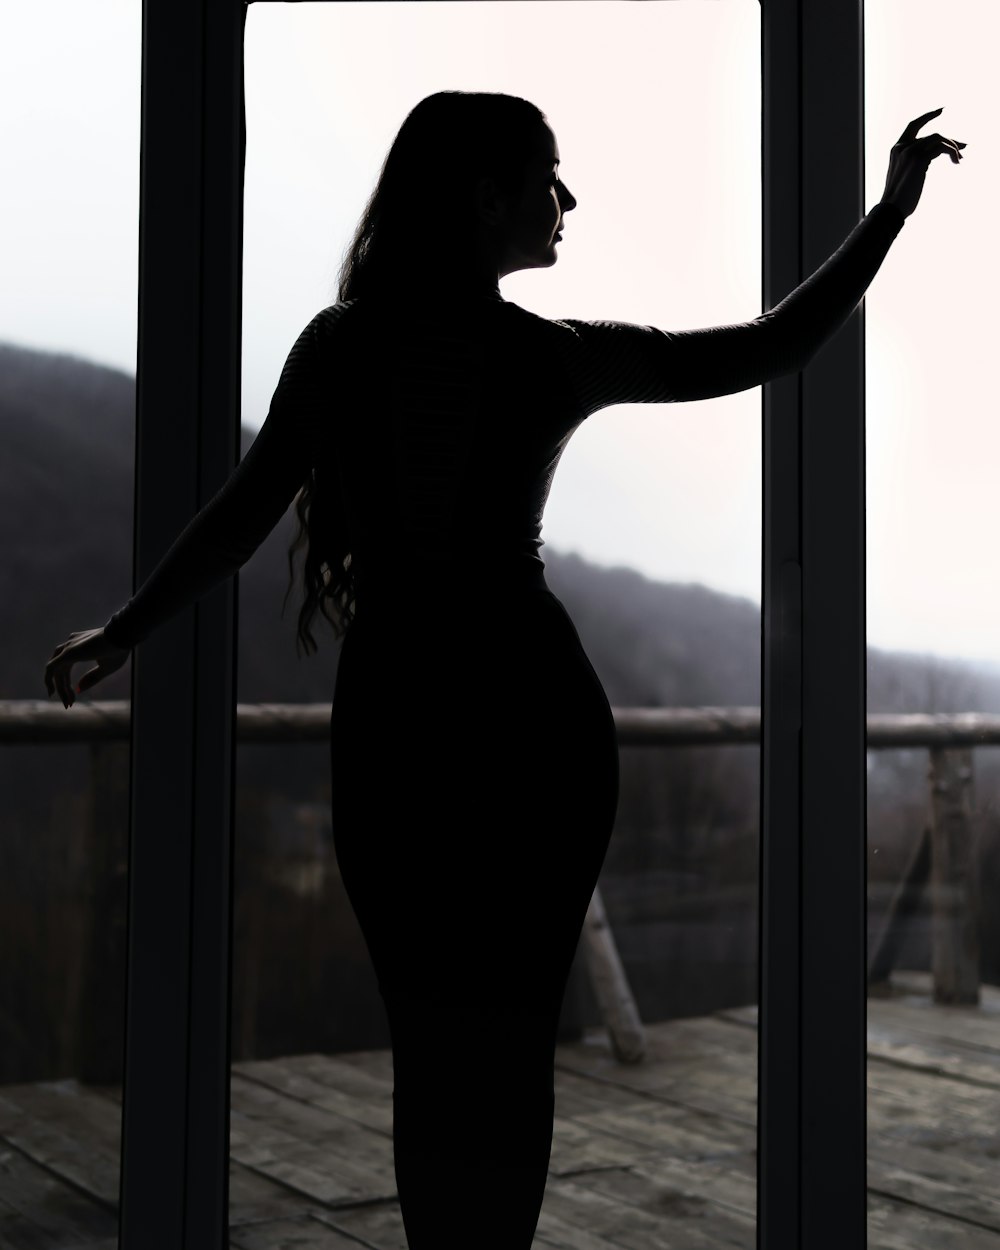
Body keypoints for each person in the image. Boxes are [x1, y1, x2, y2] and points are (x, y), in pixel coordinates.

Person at [44, 92, 963, 1249]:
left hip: (402, 719)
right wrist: (886, 216)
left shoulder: (345, 346)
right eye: (547, 177)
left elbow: (242, 512)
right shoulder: (549, 357)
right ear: (484, 200)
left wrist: (127, 628)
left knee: (430, 1038)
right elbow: (769, 343)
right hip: (532, 717)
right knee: (511, 1035)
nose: (565, 201)